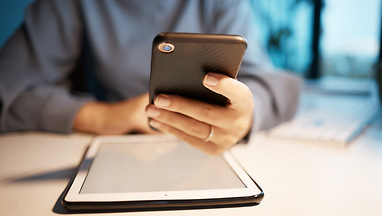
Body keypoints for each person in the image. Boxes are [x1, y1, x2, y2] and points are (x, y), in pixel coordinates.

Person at [0, 0, 302, 155]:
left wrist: (242, 119)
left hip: (203, 159)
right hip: (111, 154)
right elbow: (7, 88)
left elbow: (267, 82)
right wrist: (106, 117)